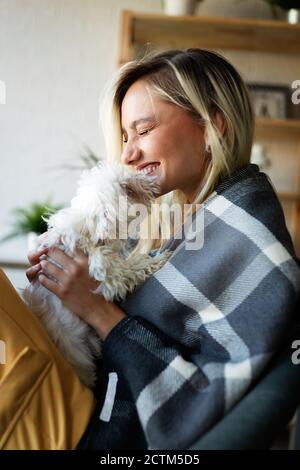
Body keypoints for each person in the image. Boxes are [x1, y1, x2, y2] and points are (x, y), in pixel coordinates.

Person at [1, 48, 299, 450]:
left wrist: (94, 308)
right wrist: (65, 277)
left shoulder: (251, 242)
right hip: (81, 399)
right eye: (125, 136)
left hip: (101, 435)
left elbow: (203, 399)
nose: (127, 153)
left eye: (143, 131)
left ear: (213, 126)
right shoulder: (190, 220)